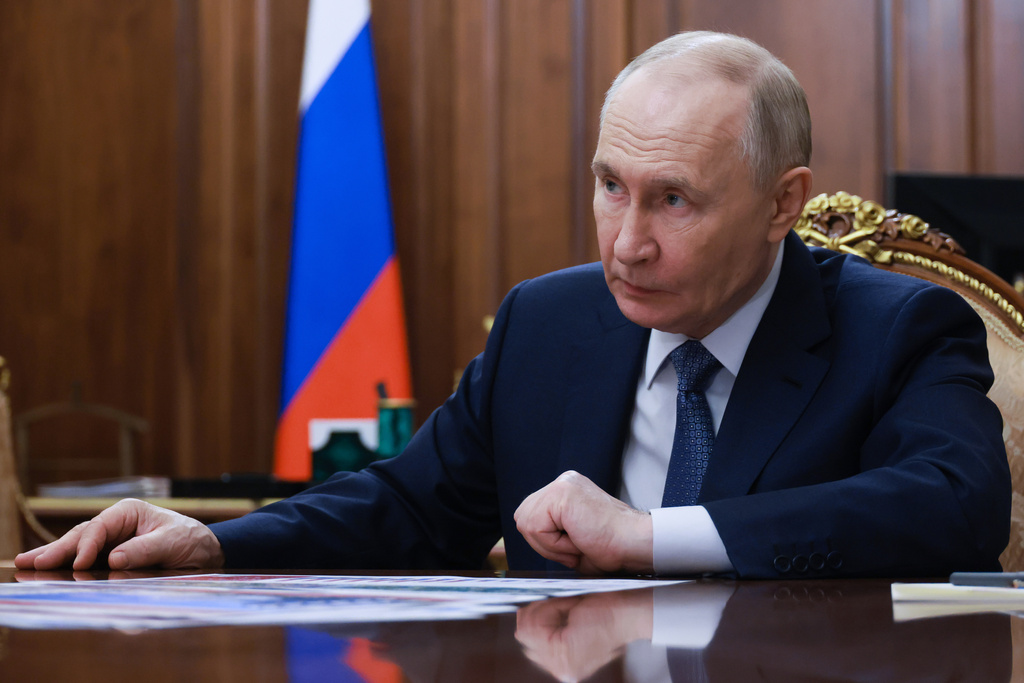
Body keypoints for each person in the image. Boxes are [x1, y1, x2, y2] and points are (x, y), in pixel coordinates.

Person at [16, 31, 1009, 578]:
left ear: (781, 203)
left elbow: (955, 505)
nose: (625, 241)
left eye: (674, 200)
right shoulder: (550, 320)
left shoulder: (897, 328)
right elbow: (410, 504)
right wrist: (215, 537)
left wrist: (646, 536)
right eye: (609, 184)